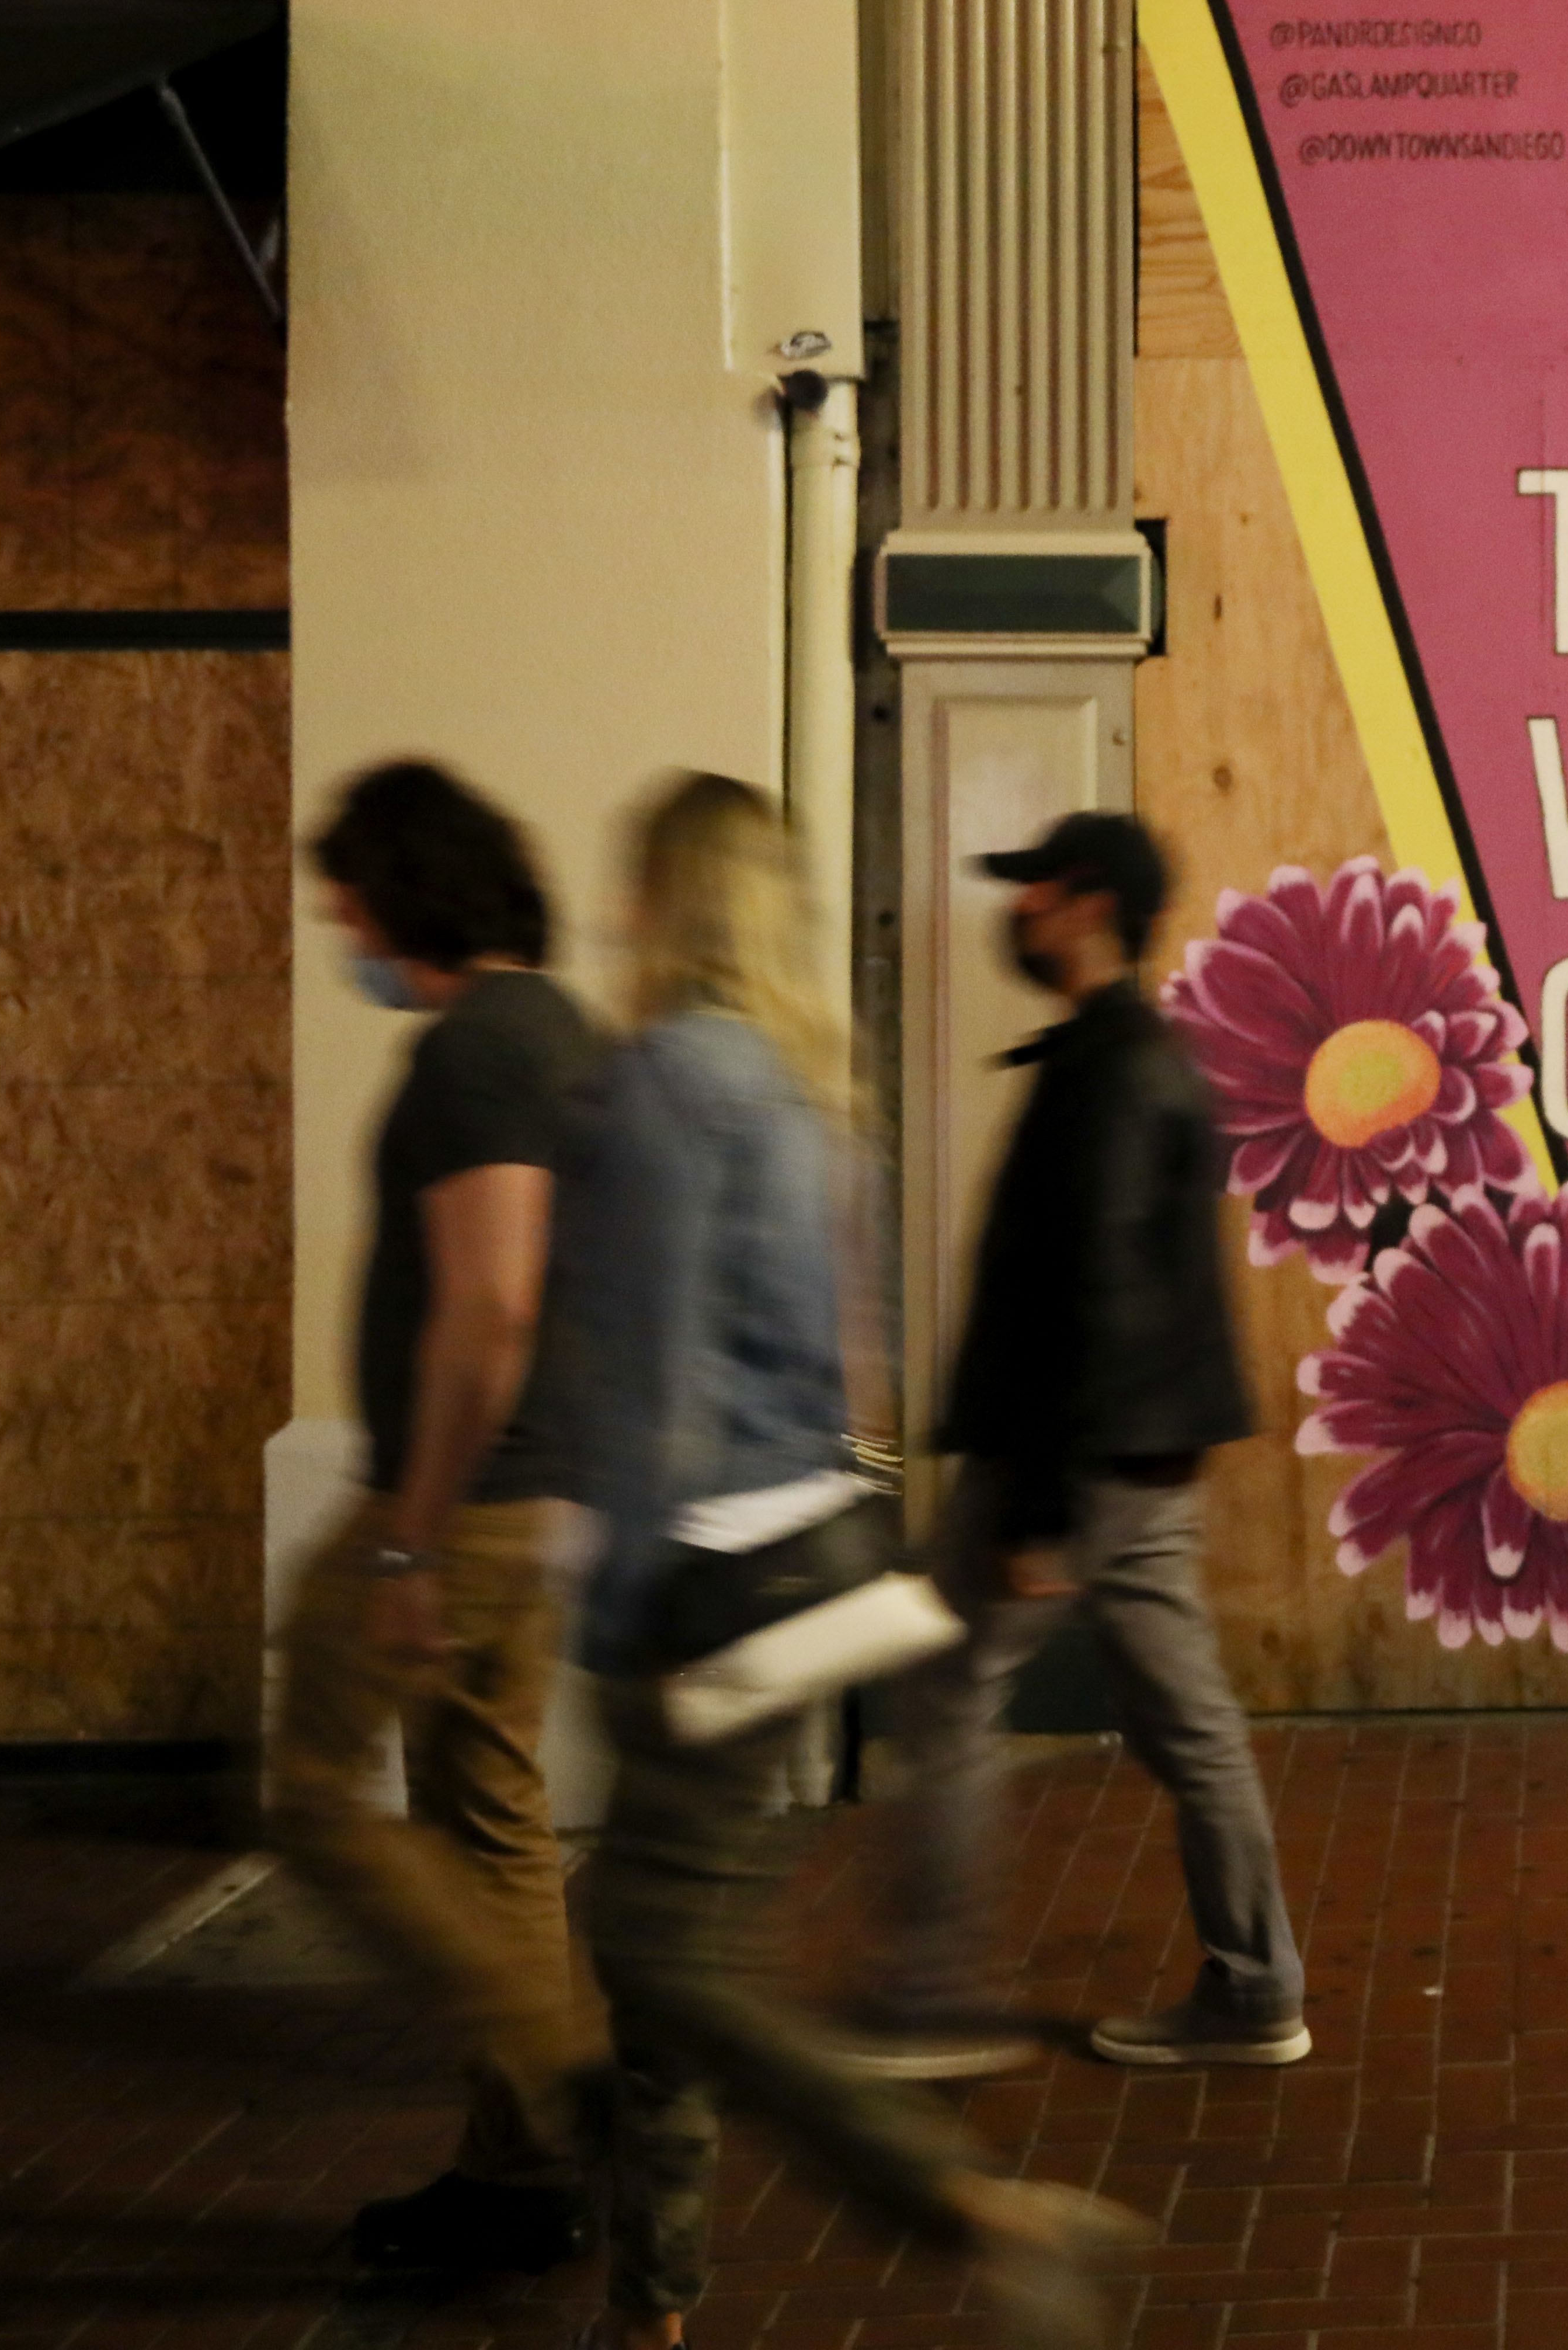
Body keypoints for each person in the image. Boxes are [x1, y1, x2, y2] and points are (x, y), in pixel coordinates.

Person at [552, 773, 1152, 2350]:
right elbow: (851, 1367)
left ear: (667, 903)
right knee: (666, 1942)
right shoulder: (812, 1088)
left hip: (706, 1575)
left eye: (631, 888)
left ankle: (959, 2202)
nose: (613, 915)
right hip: (814, 1557)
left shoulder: (663, 1082)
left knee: (654, 1948)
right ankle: (652, 2301)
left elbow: (651, 1380)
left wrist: (608, 1607)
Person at [847, 809, 1301, 2079]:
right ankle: (1258, 1984)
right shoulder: (1135, 1055)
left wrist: (1038, 1508)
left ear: (1085, 901)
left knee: (942, 1687)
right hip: (1147, 1454)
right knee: (1190, 1720)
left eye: (1032, 888)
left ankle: (934, 1997)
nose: (1017, 910)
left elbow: (1090, 1288)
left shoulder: (1108, 1068)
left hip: (1079, 1459)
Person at [270, 759, 609, 2278]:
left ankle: (564, 2085)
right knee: (490, 1813)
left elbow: (492, 1303)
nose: (334, 918)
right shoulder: (562, 1036)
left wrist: (409, 1533)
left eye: (342, 888)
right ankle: (522, 2168)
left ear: (404, 890)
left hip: (457, 1502)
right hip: (523, 1496)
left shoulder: (479, 1054)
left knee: (313, 1794)